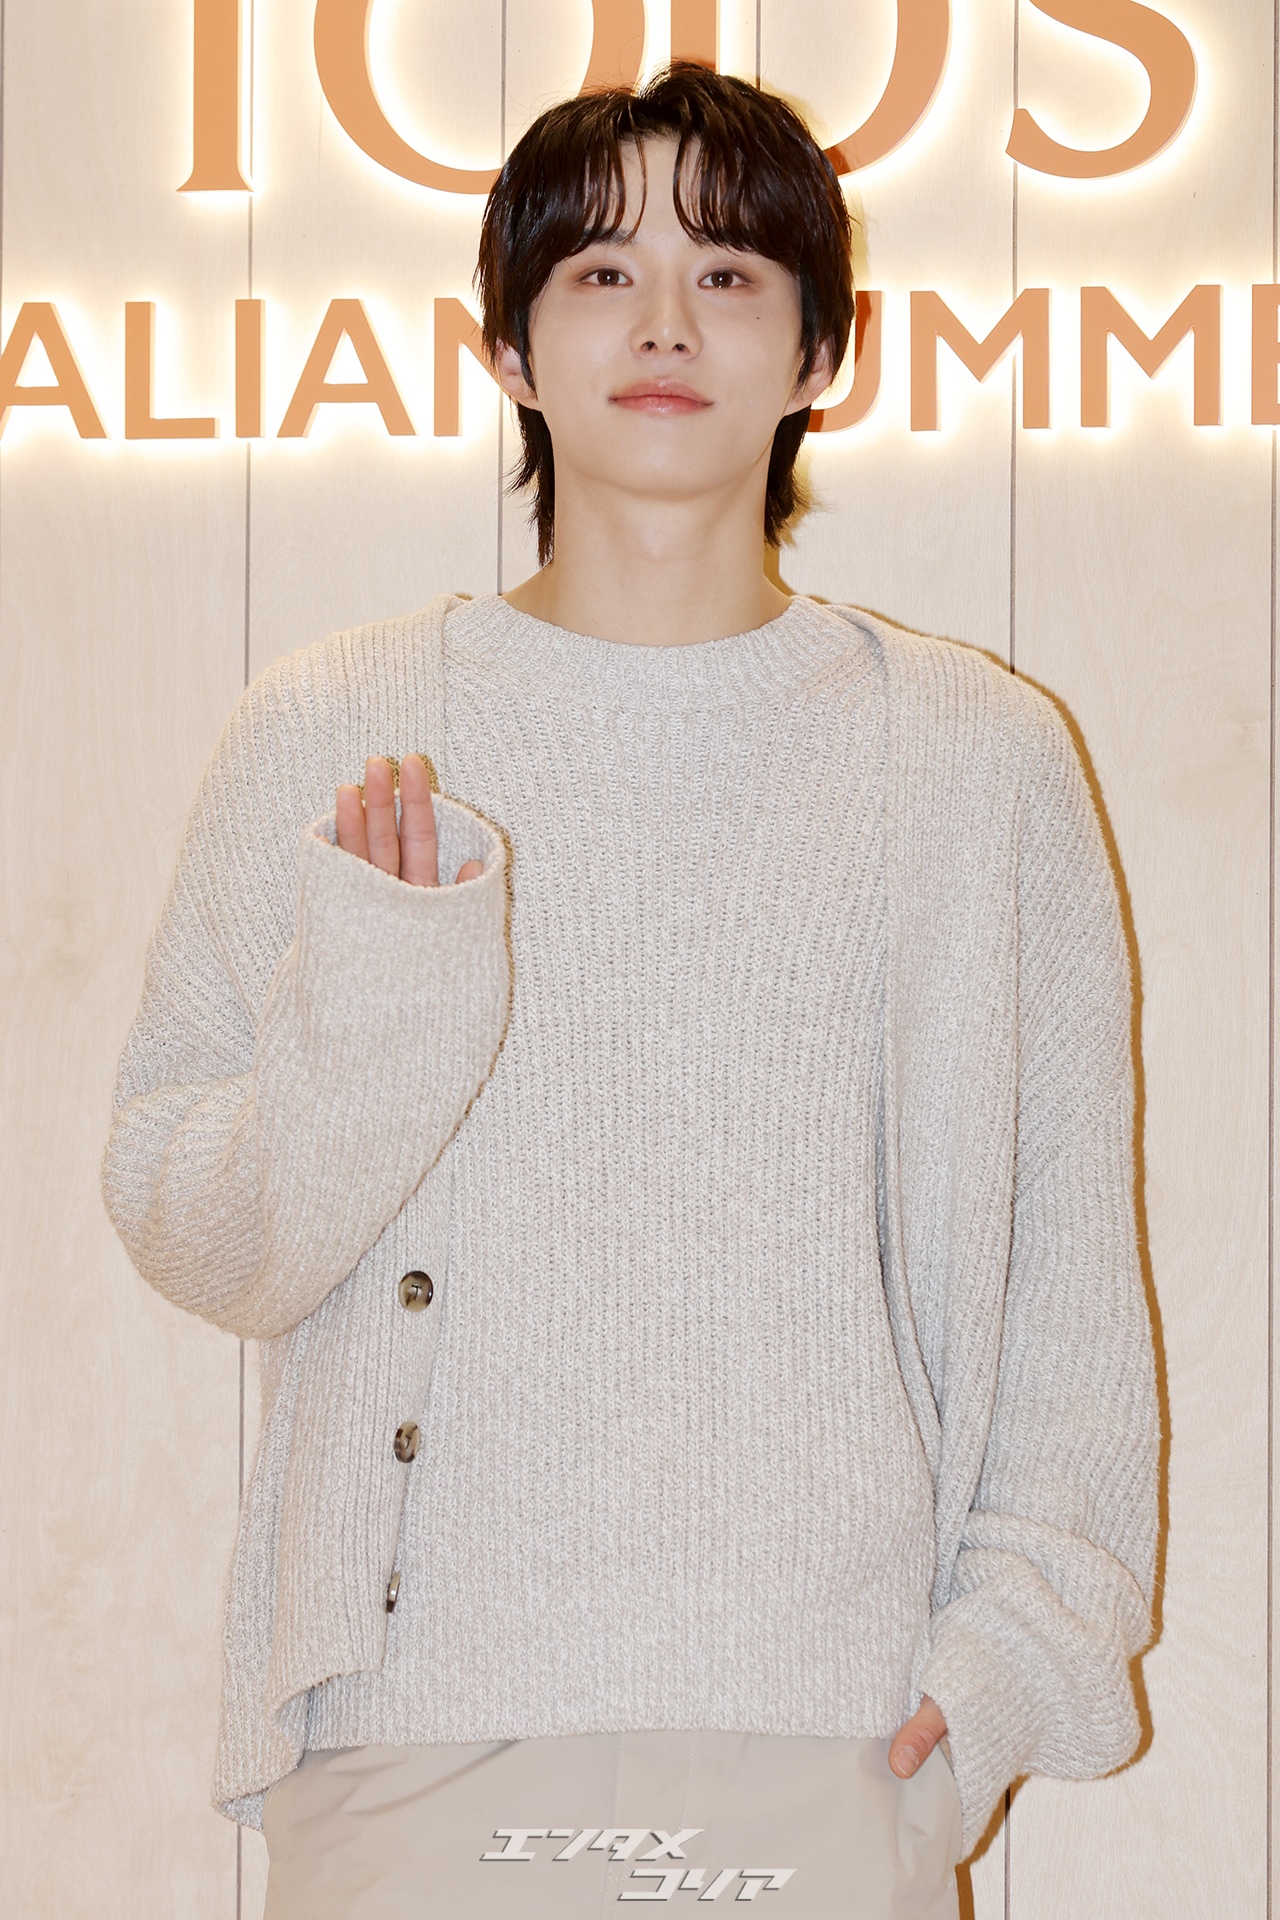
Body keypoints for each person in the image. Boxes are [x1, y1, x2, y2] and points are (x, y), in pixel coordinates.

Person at [100, 62, 1160, 1920]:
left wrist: (997, 1672)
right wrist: (387, 1004)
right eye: (600, 273)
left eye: (728, 274)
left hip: (835, 1725)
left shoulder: (980, 759)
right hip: (411, 1721)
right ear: (508, 349)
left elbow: (1071, 1268)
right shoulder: (336, 726)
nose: (665, 323)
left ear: (822, 348)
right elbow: (200, 1234)